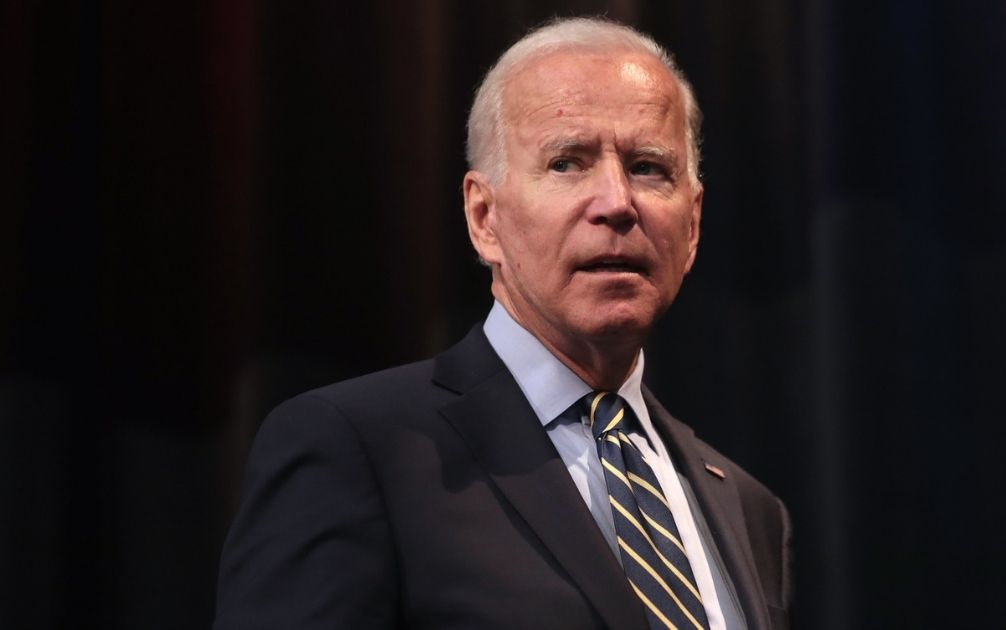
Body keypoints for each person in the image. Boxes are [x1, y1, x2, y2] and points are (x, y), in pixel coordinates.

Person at [214, 17, 792, 630]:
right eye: (567, 163)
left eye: (649, 167)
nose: (618, 202)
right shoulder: (357, 451)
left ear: (693, 224)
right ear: (484, 216)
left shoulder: (749, 510)